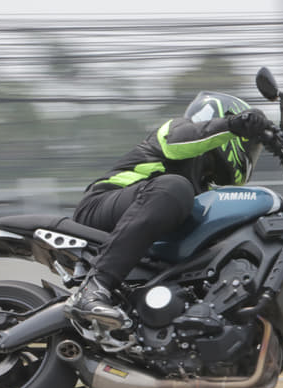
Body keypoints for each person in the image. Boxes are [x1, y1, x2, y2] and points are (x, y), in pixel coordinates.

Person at [65, 91, 270, 329]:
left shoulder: (203, 187)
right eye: (248, 143)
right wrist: (233, 125)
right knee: (174, 188)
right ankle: (94, 288)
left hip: (140, 229)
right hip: (100, 207)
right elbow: (190, 139)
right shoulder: (175, 131)